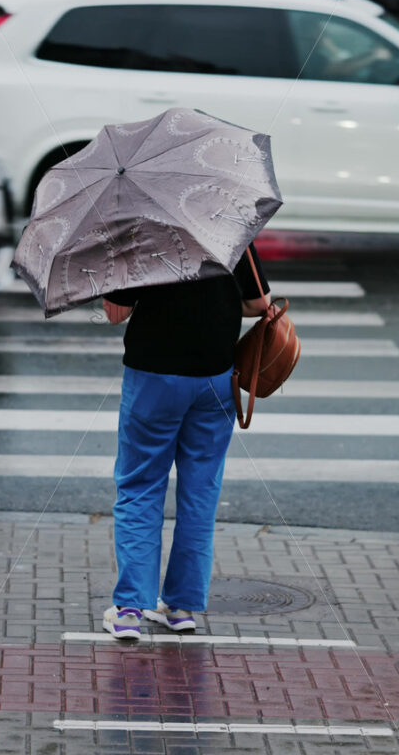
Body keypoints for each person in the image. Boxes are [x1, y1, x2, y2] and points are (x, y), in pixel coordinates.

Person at [101, 244, 271, 640]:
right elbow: (259, 303)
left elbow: (115, 313)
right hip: (215, 376)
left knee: (141, 486)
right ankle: (180, 607)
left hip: (153, 375)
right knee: (200, 492)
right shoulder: (230, 226)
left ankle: (129, 609)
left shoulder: (144, 229)